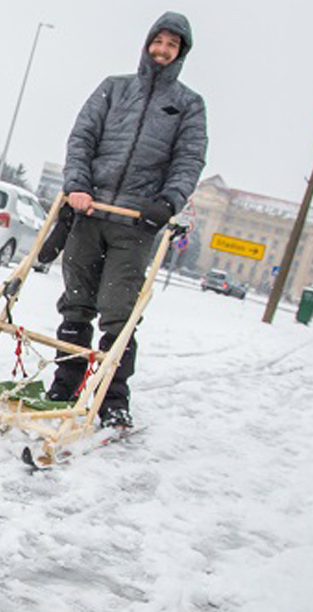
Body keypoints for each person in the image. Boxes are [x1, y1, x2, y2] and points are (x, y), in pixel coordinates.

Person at [44, 11, 208, 428]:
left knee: (119, 314)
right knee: (76, 305)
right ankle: (65, 384)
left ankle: (112, 398)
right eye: (159, 42)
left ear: (181, 53)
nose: (163, 50)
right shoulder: (113, 90)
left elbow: (189, 160)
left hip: (135, 225)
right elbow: (82, 138)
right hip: (89, 212)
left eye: (172, 45)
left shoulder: (188, 105)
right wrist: (77, 185)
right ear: (148, 42)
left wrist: (168, 201)